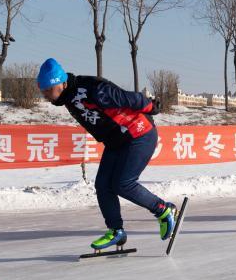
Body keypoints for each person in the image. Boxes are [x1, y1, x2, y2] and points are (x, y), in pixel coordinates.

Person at [36, 58, 175, 250]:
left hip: (138, 133)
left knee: (122, 183)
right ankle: (116, 231)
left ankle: (163, 210)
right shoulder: (67, 96)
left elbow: (126, 97)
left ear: (61, 82)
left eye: (49, 91)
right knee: (103, 185)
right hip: (116, 141)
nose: (47, 96)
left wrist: (150, 105)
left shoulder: (93, 88)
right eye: (43, 92)